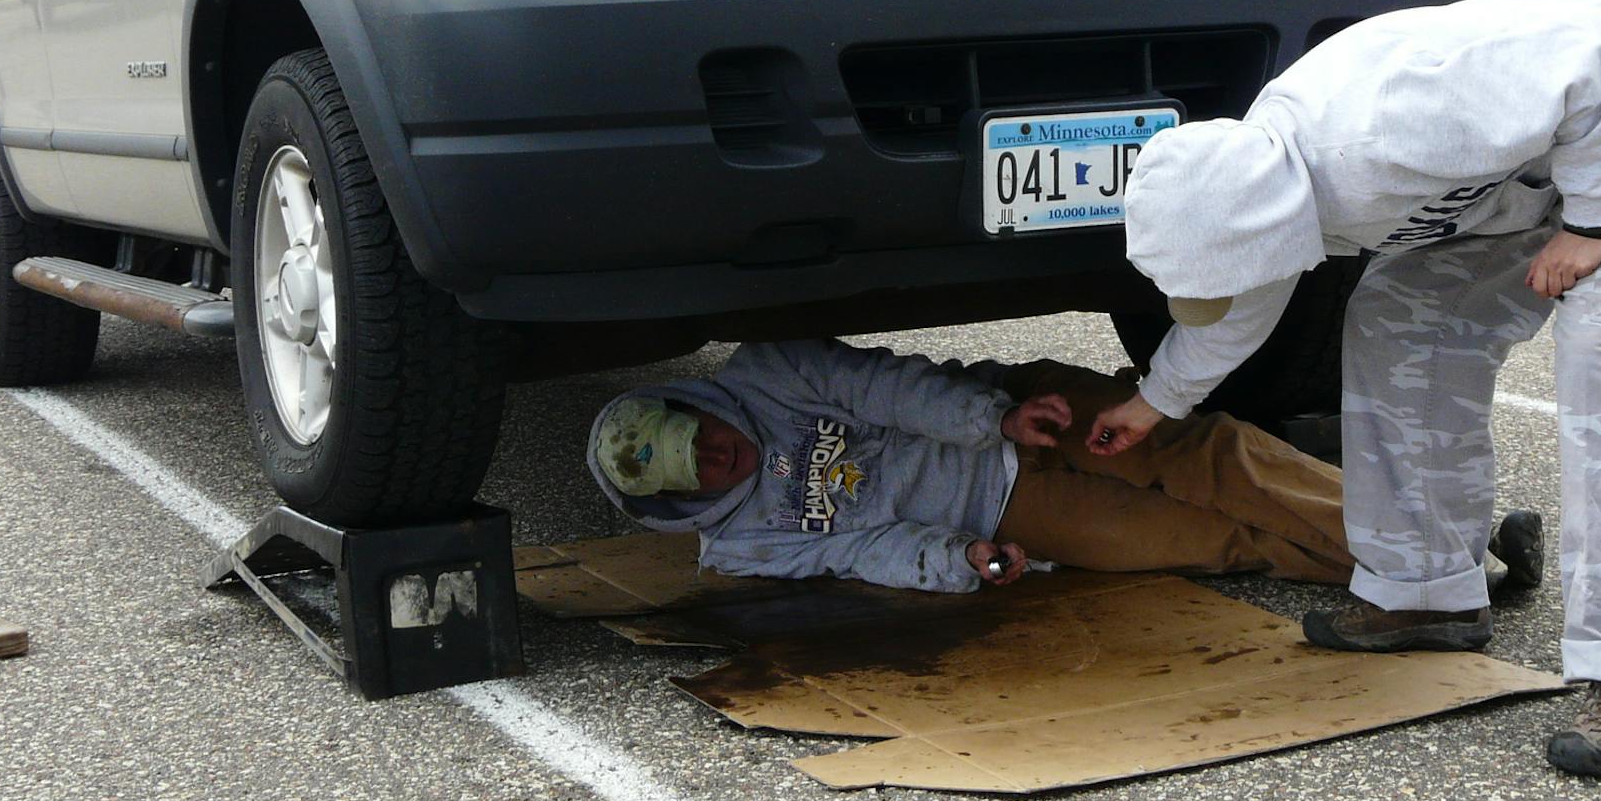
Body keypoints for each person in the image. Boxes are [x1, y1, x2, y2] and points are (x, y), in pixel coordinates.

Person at [1089, 0, 1601, 779]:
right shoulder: (1255, 185)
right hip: (1523, 174)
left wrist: (1591, 222)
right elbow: (1238, 307)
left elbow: (1591, 73)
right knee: (1395, 320)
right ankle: (1425, 591)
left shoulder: (1390, 127)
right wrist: (1153, 404)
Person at [586, 339, 1546, 597]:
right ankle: (1445, 580)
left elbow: (878, 391)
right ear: (680, 500)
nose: (720, 455)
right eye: (698, 470)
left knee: (1210, 457)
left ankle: (1446, 542)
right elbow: (860, 549)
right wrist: (952, 562)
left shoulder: (761, 376)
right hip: (1010, 514)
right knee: (1216, 544)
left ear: (693, 407)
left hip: (1017, 417)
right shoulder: (740, 545)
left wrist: (995, 414)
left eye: (700, 433)